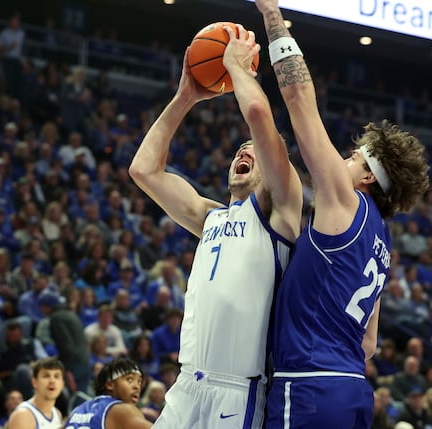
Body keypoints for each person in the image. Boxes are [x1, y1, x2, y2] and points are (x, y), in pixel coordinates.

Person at [254, 1, 430, 428]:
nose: (344, 162)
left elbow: (297, 97)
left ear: (369, 176)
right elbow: (367, 344)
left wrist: (271, 14)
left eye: (353, 158)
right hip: (352, 388)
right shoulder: (382, 244)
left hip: (311, 383)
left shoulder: (345, 202)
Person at [128, 22, 302, 429]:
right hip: (186, 384)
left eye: (254, 149)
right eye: (239, 150)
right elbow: (143, 170)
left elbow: (260, 118)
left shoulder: (280, 210)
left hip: (237, 391)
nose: (246, 152)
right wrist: (185, 96)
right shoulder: (209, 217)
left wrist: (237, 68)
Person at [62, 358, 152, 429]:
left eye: (139, 382)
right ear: (110, 385)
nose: (137, 386)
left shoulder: (77, 411)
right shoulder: (123, 410)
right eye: (129, 380)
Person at [6, 358, 65, 429]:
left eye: (56, 376)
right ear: (34, 382)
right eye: (46, 376)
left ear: (62, 384)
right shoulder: (23, 416)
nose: (52, 381)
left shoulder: (57, 414)